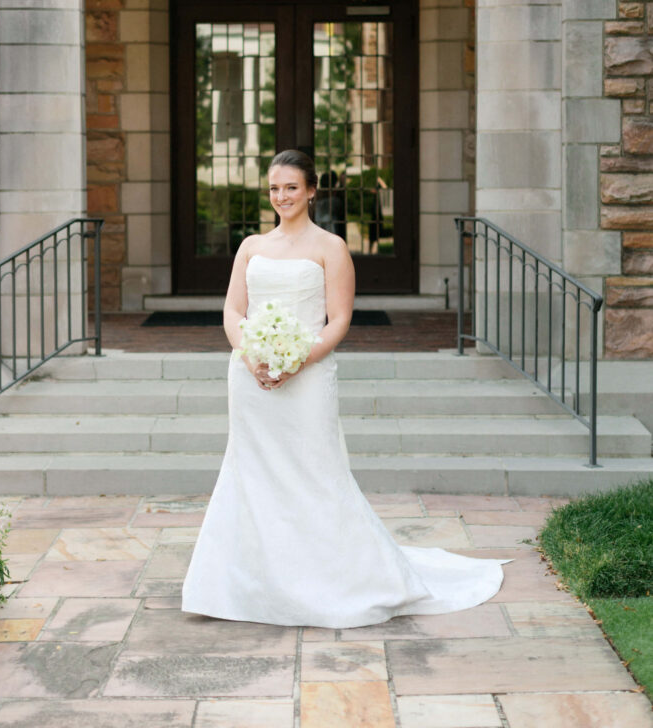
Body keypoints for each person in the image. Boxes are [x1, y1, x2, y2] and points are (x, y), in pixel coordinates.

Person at [181, 149, 507, 628]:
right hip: (251, 379)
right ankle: (248, 585)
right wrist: (252, 356)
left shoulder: (330, 247)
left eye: (291, 187)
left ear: (311, 190)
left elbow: (340, 320)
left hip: (307, 377)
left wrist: (295, 361)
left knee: (315, 473)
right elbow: (232, 312)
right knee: (249, 474)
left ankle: (330, 581)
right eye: (274, 188)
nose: (282, 196)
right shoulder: (250, 245)